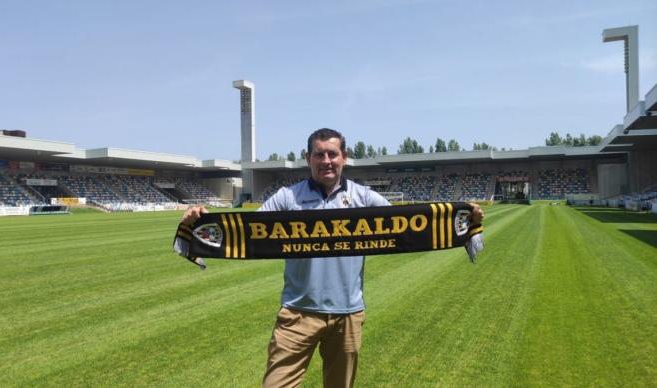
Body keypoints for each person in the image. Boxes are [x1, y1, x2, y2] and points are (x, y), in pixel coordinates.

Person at [182, 128, 484, 388]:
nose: (326, 161)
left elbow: (409, 221)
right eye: (319, 155)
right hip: (296, 314)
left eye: (332, 154)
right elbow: (248, 230)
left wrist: (460, 219)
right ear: (308, 159)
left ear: (344, 157)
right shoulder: (288, 197)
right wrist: (203, 221)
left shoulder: (363, 197)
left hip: (348, 315)